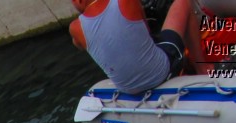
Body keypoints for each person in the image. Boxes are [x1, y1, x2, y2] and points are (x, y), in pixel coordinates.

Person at [68, 0, 210, 94]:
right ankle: (202, 69)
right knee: (183, 3)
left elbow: (79, 45)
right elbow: (146, 32)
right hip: (160, 73)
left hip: (128, 89)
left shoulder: (75, 28)